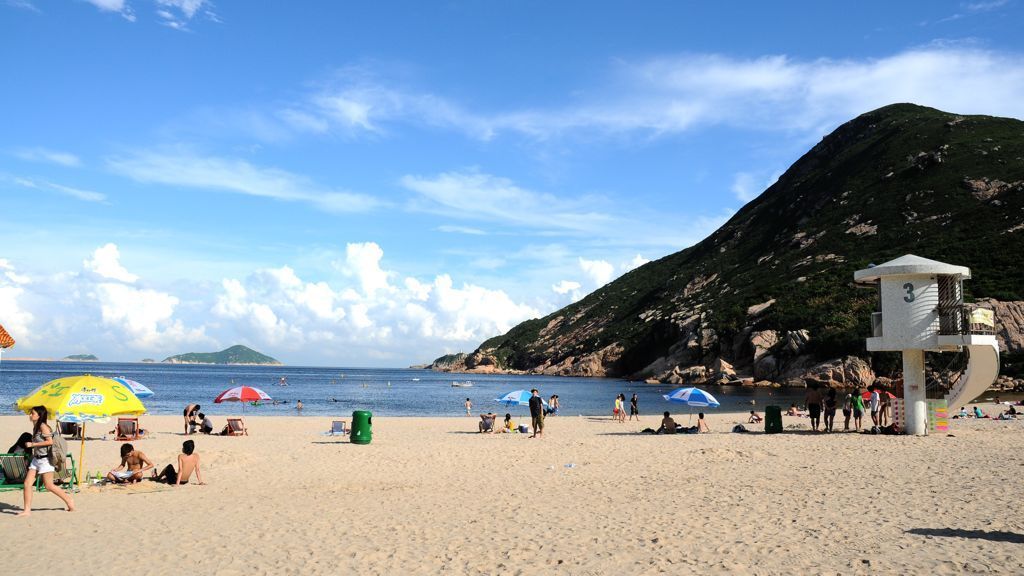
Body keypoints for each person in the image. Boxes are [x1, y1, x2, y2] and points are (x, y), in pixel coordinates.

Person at [17, 406, 75, 516]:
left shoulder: (43, 427)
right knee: (27, 483)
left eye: (32, 413)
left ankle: (69, 499)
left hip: (45, 460)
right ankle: (27, 511)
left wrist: (33, 444)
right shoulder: (35, 427)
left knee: (49, 486)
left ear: (39, 416)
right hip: (36, 459)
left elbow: (50, 442)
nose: (30, 415)